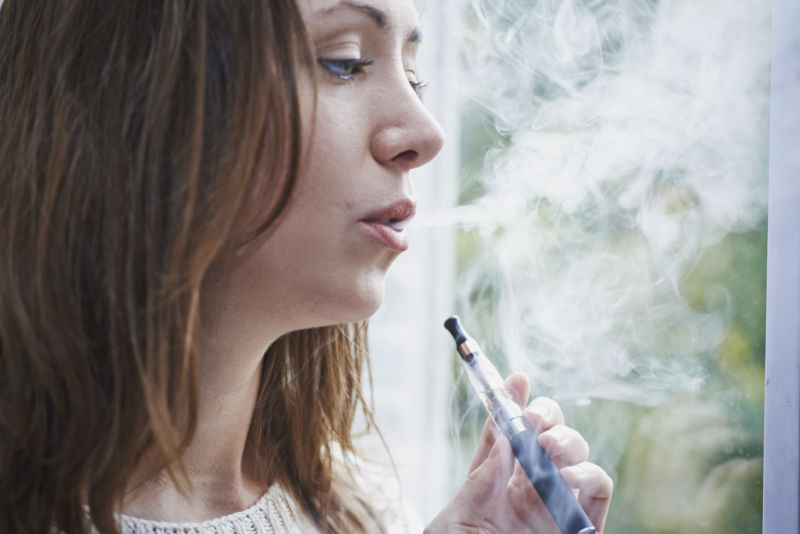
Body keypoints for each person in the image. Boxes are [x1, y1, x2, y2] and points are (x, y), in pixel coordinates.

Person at [0, 0, 613, 532]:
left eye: (415, 75)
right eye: (345, 61)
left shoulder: (365, 514)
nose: (424, 134)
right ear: (134, 95)